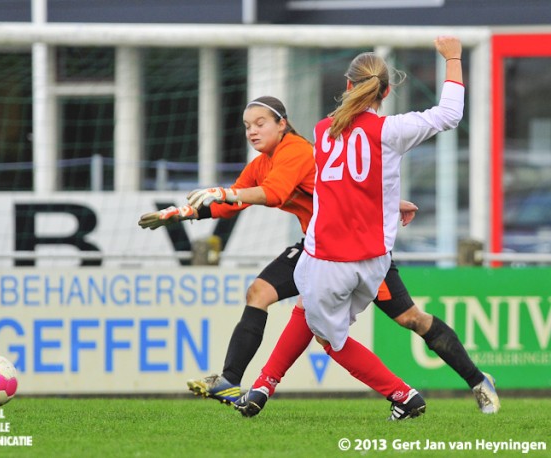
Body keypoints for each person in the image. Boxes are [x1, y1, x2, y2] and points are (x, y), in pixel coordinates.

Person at [138, 78, 498, 417]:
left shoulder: (296, 150)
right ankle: (237, 382)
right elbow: (235, 201)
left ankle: (473, 381)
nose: (252, 131)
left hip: (354, 251)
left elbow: (273, 193)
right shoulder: (265, 162)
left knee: (410, 319)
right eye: (247, 125)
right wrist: (181, 213)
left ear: (282, 124)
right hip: (319, 249)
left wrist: (225, 193)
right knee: (262, 292)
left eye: (260, 123)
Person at [234, 35, 499, 419]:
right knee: (328, 312)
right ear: (386, 92)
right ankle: (262, 387)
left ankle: (404, 396)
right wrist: (453, 58)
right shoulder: (390, 130)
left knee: (327, 334)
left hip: (329, 257)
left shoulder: (323, 131)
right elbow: (449, 115)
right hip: (373, 260)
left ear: (346, 86)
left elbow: (328, 190)